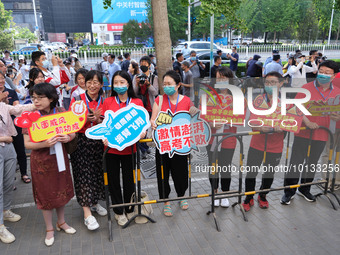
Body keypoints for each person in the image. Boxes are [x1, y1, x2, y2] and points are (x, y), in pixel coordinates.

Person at [23, 83, 76, 246]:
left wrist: (68, 138)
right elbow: (27, 144)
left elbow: (72, 131)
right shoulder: (30, 115)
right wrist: (44, 143)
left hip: (60, 159)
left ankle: (61, 222)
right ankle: (49, 229)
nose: (36, 101)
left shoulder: (61, 112)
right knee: (45, 195)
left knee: (61, 190)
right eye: (33, 98)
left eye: (40, 97)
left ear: (51, 98)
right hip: (41, 162)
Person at [281, 61, 340, 205]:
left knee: (312, 163)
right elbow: (295, 107)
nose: (323, 75)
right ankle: (289, 191)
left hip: (322, 133)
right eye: (321, 71)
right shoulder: (306, 88)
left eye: (327, 73)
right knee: (296, 162)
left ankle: (305, 189)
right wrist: (306, 122)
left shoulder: (337, 92)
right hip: (303, 132)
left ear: (333, 76)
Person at [102, 71, 145, 226]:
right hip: (111, 150)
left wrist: (143, 132)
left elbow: (142, 123)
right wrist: (104, 137)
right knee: (113, 181)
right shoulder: (107, 102)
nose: (119, 85)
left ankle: (130, 208)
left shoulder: (137, 102)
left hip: (130, 149)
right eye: (116, 83)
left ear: (128, 84)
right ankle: (119, 212)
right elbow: (104, 124)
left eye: (122, 82)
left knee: (129, 180)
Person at [150, 70, 195, 217]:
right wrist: (153, 123)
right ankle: (166, 200)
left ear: (178, 85)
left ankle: (181, 196)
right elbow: (153, 119)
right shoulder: (159, 100)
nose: (166, 86)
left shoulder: (187, 101)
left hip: (180, 145)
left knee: (180, 172)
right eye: (164, 84)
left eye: (169, 84)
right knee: (163, 173)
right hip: (163, 144)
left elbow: (193, 119)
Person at [0, 71, 36, 244]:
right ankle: (0, 227)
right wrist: (3, 138)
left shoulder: (3, 106)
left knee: (8, 183)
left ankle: (6, 211)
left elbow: (19, 108)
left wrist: (36, 104)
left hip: (8, 150)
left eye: (2, 81)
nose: (2, 86)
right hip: (4, 144)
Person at [242, 72, 286, 211]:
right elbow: (252, 122)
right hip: (257, 144)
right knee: (251, 173)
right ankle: (248, 198)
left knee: (269, 173)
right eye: (267, 83)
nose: (270, 85)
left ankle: (263, 195)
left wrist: (283, 126)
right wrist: (263, 127)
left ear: (281, 83)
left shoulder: (286, 103)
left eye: (273, 82)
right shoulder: (258, 100)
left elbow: (292, 122)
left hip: (276, 145)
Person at [69, 70, 107, 231]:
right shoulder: (77, 100)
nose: (92, 85)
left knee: (97, 173)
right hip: (82, 142)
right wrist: (85, 119)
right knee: (83, 175)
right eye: (89, 82)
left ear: (101, 84)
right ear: (84, 83)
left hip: (99, 142)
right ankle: (86, 213)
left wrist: (99, 120)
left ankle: (94, 202)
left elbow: (108, 122)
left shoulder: (105, 101)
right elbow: (70, 122)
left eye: (96, 82)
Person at [207, 66, 237, 208]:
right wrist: (211, 122)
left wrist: (226, 120)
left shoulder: (236, 96)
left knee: (225, 167)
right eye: (218, 78)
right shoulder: (209, 96)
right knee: (213, 167)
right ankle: (215, 192)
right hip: (212, 139)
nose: (221, 81)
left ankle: (224, 194)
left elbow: (240, 116)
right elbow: (203, 116)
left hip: (228, 139)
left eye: (224, 78)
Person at [133, 56, 158, 159]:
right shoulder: (136, 77)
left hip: (150, 106)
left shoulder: (153, 77)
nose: (143, 64)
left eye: (145, 63)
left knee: (148, 128)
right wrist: (137, 84)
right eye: (141, 62)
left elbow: (155, 92)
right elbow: (134, 92)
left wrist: (148, 85)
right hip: (139, 107)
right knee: (140, 128)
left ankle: (146, 146)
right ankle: (143, 149)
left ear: (149, 64)